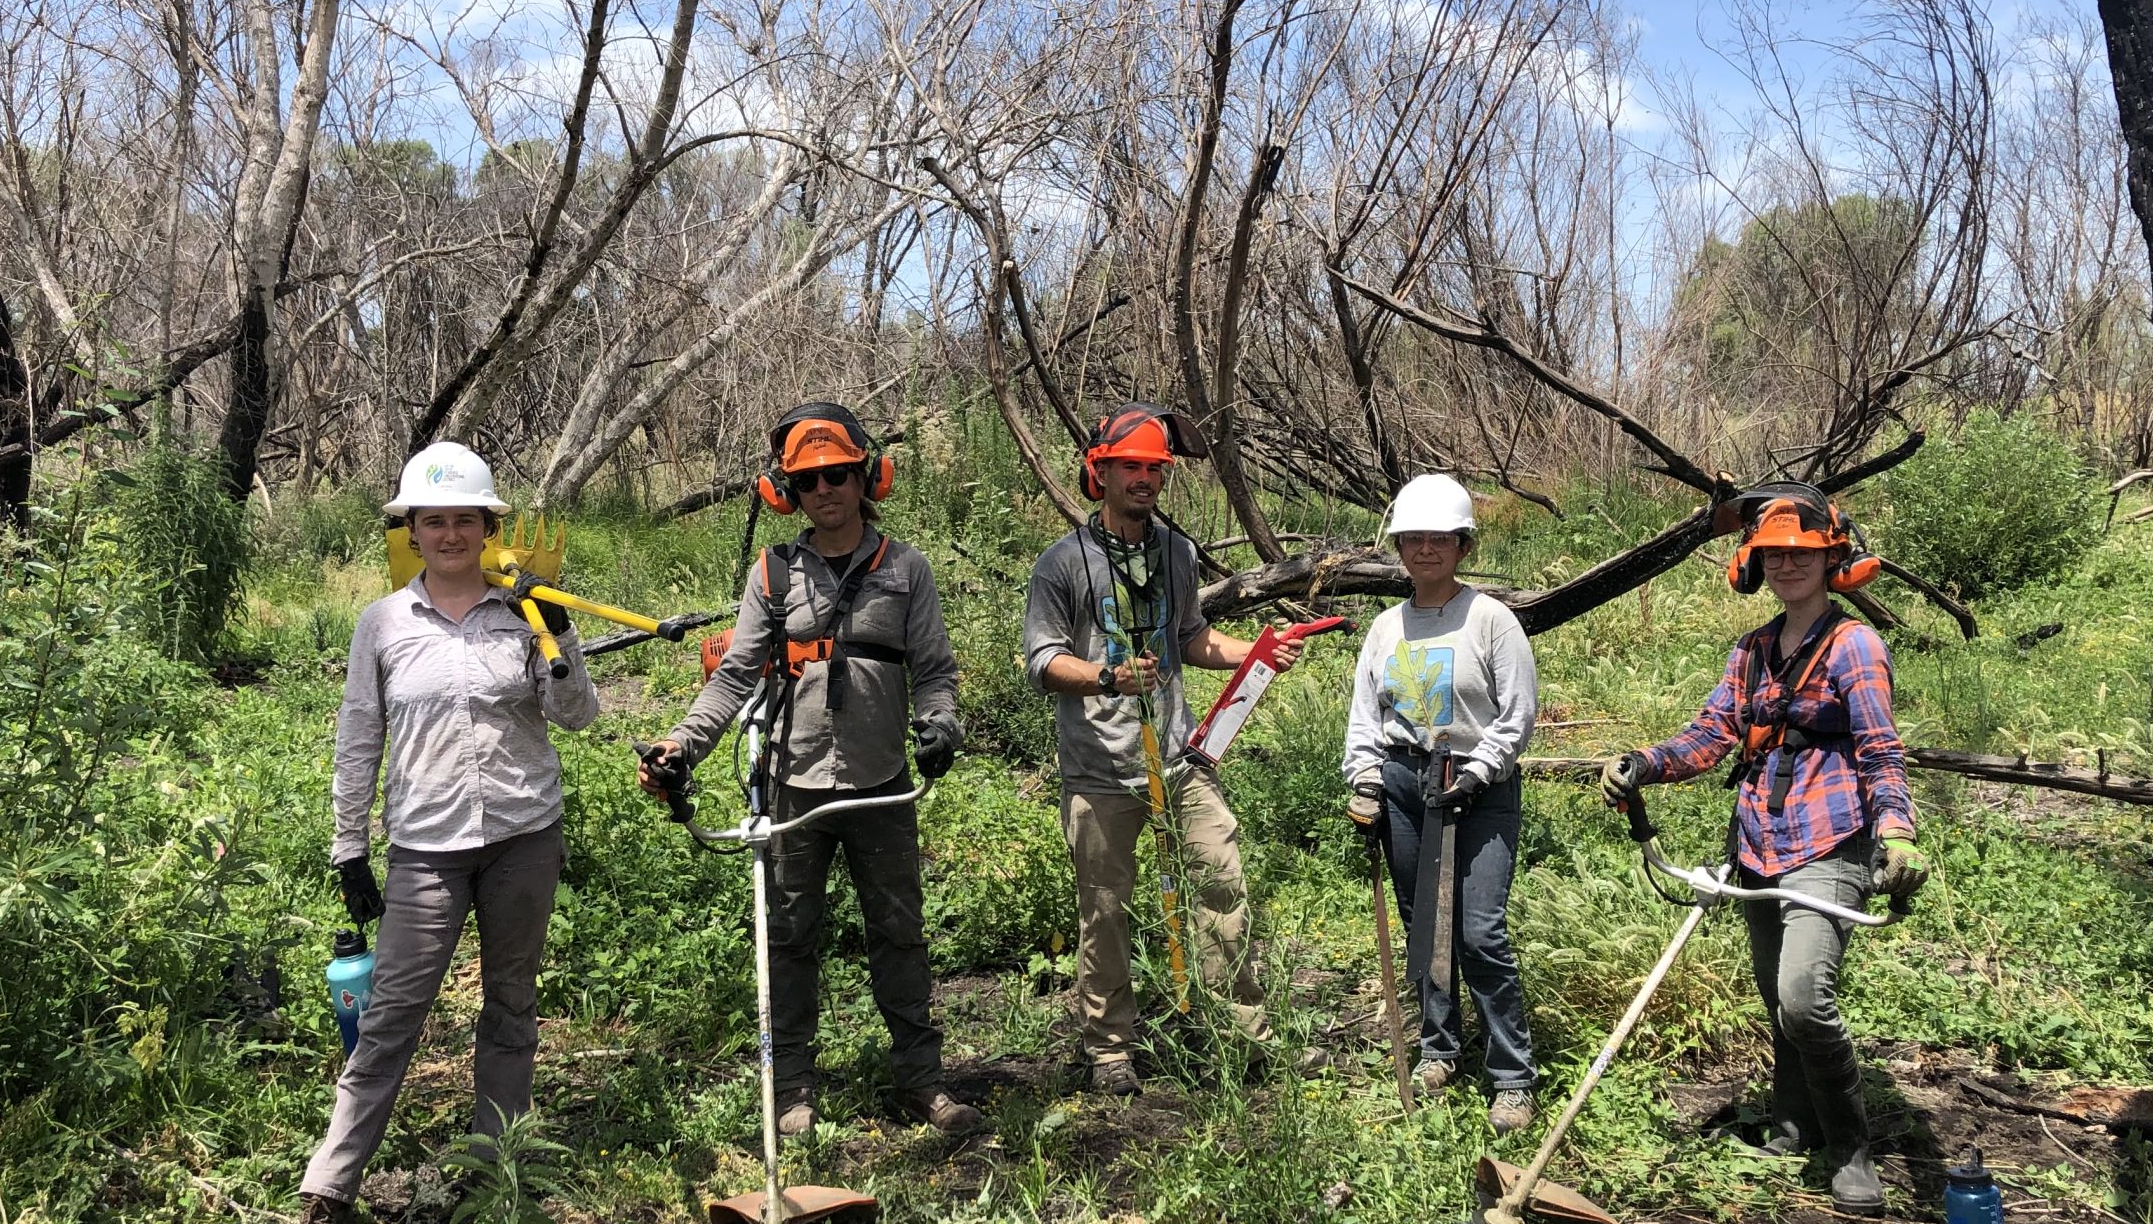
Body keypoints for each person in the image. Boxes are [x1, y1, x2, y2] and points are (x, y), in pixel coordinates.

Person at [285, 442, 601, 1224]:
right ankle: (326, 1202)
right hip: (425, 847)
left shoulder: (524, 612)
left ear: (490, 526)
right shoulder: (383, 624)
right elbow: (359, 739)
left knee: (510, 1008)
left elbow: (578, 717)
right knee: (390, 1020)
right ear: (410, 531)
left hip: (523, 837)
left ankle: (495, 1175)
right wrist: (349, 845)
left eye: (467, 517)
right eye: (434, 519)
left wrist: (559, 632)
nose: (451, 531)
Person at [643, 403, 983, 1140]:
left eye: (837, 475)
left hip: (883, 782)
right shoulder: (774, 572)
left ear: (868, 478)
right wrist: (682, 746)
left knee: (900, 932)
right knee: (791, 936)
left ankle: (920, 1082)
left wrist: (941, 725)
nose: (825, 490)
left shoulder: (906, 569)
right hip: (794, 785)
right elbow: (732, 679)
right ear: (786, 492)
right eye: (807, 481)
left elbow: (935, 672)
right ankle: (792, 1088)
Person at [1600, 483, 1928, 1215]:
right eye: (1776, 553)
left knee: (1805, 998)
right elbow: (1711, 735)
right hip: (1757, 840)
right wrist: (1646, 762)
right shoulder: (1750, 651)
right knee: (1777, 996)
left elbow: (1878, 748)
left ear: (1832, 557)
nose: (1789, 564)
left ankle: (1850, 1149)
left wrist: (1897, 830)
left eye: (1803, 552)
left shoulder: (1855, 645)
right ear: (1756, 563)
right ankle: (1791, 1125)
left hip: (1828, 840)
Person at [1021, 404, 1322, 1096]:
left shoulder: (1177, 553)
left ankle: (1242, 1038)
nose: (1146, 479)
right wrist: (1106, 676)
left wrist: (1258, 653)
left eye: (1156, 469)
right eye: (1131, 466)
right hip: (1100, 770)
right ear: (1099, 473)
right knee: (1106, 910)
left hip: (1181, 760)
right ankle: (1109, 1049)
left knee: (1221, 882)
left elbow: (1191, 637)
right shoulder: (1062, 563)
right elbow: (1041, 661)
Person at [1341, 474, 1541, 1130]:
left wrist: (1481, 772)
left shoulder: (1490, 620)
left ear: (1461, 545)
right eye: (1414, 539)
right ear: (1399, 547)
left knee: (1478, 931)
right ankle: (1438, 1048)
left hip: (1476, 788)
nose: (1426, 550)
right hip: (1405, 784)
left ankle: (1511, 1078)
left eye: (1440, 539)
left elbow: (1516, 716)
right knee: (1425, 925)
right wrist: (1366, 781)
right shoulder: (1385, 628)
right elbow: (1366, 717)